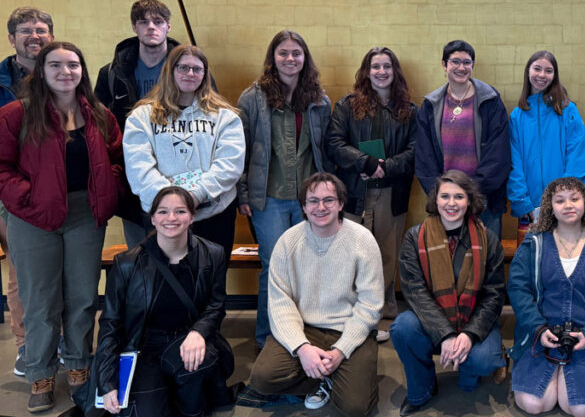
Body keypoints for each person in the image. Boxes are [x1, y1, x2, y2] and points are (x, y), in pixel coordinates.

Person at [0, 41, 122, 412]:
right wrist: (28, 198)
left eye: (72, 65)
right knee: (40, 302)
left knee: (84, 297)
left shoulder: (100, 114)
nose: (65, 72)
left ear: (82, 70)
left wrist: (108, 190)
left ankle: (80, 367)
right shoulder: (15, 115)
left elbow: (117, 159)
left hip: (85, 215)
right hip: (33, 218)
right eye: (55, 65)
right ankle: (41, 373)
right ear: (42, 70)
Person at [243, 172, 383, 416]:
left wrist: (341, 350)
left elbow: (370, 305)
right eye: (313, 201)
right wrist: (302, 348)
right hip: (305, 328)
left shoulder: (362, 240)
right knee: (262, 378)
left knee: (354, 407)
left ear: (341, 204)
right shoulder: (287, 242)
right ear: (304, 207)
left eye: (329, 200)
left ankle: (339, 374)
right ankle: (324, 380)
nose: (321, 207)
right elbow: (279, 303)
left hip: (348, 328)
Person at [88, 186, 234, 416]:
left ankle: (191, 403)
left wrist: (198, 332)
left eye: (180, 211)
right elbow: (110, 325)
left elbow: (216, 306)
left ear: (192, 217)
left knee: (196, 368)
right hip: (145, 349)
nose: (171, 218)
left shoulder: (213, 254)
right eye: (163, 212)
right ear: (153, 218)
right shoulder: (126, 264)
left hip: (187, 340)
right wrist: (106, 383)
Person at [237, 30, 331, 350]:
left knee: (307, 267)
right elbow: (242, 150)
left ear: (305, 58)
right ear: (272, 58)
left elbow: (324, 150)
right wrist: (243, 194)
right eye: (283, 53)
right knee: (274, 267)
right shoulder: (253, 98)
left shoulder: (319, 99)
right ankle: (268, 339)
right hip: (269, 200)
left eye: (296, 53)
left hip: (309, 201)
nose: (290, 59)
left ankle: (304, 335)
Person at [392, 170, 506, 416]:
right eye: (445, 196)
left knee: (483, 360)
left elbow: (494, 295)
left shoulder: (488, 239)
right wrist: (445, 335)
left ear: (469, 201)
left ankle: (469, 368)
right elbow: (415, 293)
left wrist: (469, 334)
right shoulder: (415, 237)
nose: (451, 203)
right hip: (433, 320)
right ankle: (422, 387)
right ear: (435, 200)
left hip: (474, 320)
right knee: (402, 327)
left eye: (459, 197)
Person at [508, 177, 585, 417]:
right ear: (550, 207)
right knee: (534, 404)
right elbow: (518, 290)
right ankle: (551, 368)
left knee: (582, 410)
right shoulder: (534, 243)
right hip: (540, 336)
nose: (568, 205)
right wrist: (538, 329)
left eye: (574, 198)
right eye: (559, 200)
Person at [327, 46, 417, 333]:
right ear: (366, 71)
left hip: (392, 192)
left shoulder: (409, 110)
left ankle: (384, 314)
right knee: (352, 255)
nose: (381, 72)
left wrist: (386, 167)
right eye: (375, 66)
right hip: (355, 191)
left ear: (395, 71)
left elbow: (416, 150)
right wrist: (365, 163)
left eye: (387, 67)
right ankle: (350, 315)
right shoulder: (347, 105)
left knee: (386, 256)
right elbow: (335, 143)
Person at [124, 44, 244, 254]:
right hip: (162, 217)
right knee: (166, 282)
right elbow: (138, 166)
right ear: (170, 71)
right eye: (183, 67)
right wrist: (171, 205)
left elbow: (230, 164)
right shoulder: (141, 117)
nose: (190, 73)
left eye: (197, 69)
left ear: (205, 75)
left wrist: (195, 196)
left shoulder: (226, 117)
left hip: (213, 214)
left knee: (210, 283)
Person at [95, 0, 185, 248]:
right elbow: (99, 125)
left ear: (168, 26)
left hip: (181, 170)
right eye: (143, 22)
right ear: (134, 27)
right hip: (131, 174)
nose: (151, 27)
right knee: (140, 253)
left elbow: (210, 119)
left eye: (158, 21)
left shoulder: (190, 69)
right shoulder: (111, 73)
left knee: (178, 253)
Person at [1, 6, 54, 378]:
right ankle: (26, 345)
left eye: (41, 29)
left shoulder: (64, 72)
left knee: (59, 270)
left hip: (58, 190)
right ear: (11, 38)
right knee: (23, 272)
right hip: (12, 193)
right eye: (25, 30)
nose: (34, 36)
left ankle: (61, 340)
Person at [414, 39, 511, 239]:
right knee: (448, 262)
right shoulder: (430, 105)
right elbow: (424, 157)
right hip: (446, 203)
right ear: (444, 64)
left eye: (467, 62)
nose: (461, 67)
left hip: (484, 199)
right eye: (455, 62)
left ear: (472, 66)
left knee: (486, 261)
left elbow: (498, 153)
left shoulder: (490, 101)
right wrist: (444, 195)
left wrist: (471, 193)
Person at [507, 50, 585, 222]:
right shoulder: (517, 116)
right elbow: (513, 163)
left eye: (548, 71)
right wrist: (523, 203)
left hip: (564, 208)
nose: (542, 75)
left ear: (555, 75)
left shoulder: (567, 111)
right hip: (530, 209)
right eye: (537, 69)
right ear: (528, 71)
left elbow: (578, 157)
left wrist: (564, 199)